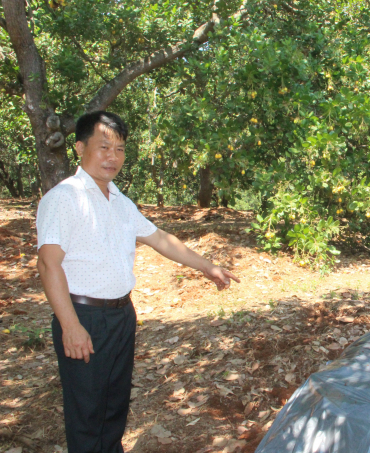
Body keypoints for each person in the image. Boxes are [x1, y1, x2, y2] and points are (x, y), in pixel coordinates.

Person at [36, 111, 240, 453]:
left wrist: (207, 267)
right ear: (79, 148)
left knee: (113, 408)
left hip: (120, 316)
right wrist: (70, 325)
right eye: (103, 147)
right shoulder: (64, 198)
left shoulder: (119, 200)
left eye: (119, 149)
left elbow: (159, 238)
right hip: (83, 317)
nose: (112, 156)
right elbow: (48, 264)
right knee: (87, 414)